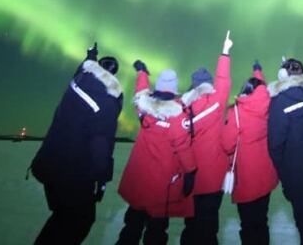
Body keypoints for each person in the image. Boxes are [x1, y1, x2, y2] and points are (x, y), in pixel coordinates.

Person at [30, 43, 123, 245]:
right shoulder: (107, 101)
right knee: (79, 222)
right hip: (73, 174)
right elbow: (102, 145)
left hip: (48, 164)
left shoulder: (78, 83)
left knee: (61, 218)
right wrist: (102, 179)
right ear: (114, 75)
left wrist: (90, 55)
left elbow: (83, 67)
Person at [116, 60, 197, 245]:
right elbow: (183, 147)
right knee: (157, 230)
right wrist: (191, 171)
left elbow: (141, 91)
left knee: (132, 225)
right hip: (162, 183)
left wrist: (142, 72)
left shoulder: (144, 107)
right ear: (174, 88)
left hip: (140, 178)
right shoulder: (177, 115)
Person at [179, 31, 234, 245]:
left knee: (190, 224)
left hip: (190, 176)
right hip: (213, 176)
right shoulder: (216, 104)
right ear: (208, 86)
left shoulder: (183, 108)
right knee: (209, 225)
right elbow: (224, 81)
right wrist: (225, 52)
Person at [267, 57, 303, 245]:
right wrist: (292, 67)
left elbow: (275, 142)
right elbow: (301, 79)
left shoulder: (279, 101)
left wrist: (279, 167)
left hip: (294, 170)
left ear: (282, 75)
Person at [222, 60, 279, 245]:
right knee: (262, 221)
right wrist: (258, 72)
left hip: (246, 176)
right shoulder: (268, 106)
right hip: (265, 174)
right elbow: (261, 91)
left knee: (247, 223)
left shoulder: (236, 113)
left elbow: (228, 145)